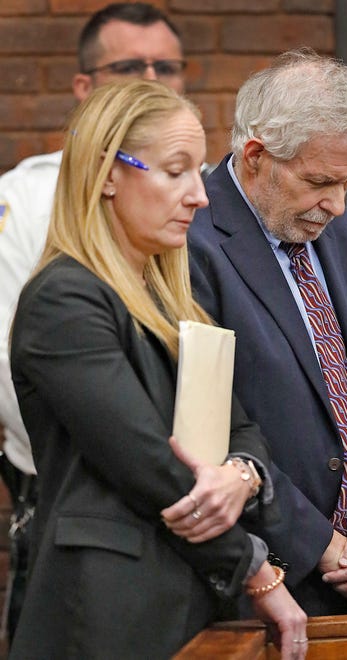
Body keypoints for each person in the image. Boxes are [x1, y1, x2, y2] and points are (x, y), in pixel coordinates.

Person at [8, 80, 307, 660]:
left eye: (199, 171)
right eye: (175, 171)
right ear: (108, 173)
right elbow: (150, 466)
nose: (200, 195)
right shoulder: (63, 298)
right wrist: (255, 569)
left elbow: (240, 431)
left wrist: (241, 475)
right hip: (106, 615)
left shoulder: (172, 301)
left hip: (189, 604)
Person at [0, 1, 213, 641]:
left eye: (165, 65)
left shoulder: (186, 199)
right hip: (76, 495)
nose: (151, 76)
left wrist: (236, 473)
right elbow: (15, 371)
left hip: (184, 516)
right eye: (128, 65)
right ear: (84, 87)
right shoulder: (27, 197)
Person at [188, 47, 347, 616]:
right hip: (263, 580)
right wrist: (321, 546)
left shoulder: (341, 233)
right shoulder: (191, 243)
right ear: (256, 155)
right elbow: (210, 430)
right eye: (320, 181)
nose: (338, 206)